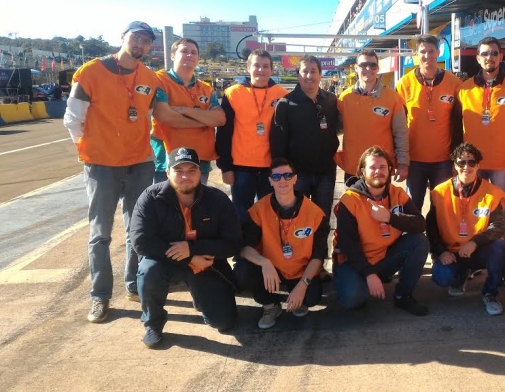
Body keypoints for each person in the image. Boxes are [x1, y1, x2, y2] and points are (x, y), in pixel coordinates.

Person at [63, 21, 161, 322]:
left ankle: (134, 285)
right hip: (102, 164)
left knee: (137, 229)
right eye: (136, 37)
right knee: (100, 233)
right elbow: (72, 118)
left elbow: (146, 116)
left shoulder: (149, 78)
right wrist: (91, 150)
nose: (140, 44)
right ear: (123, 37)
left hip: (139, 163)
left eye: (146, 40)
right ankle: (100, 295)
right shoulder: (92, 71)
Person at [131, 147, 242, 348]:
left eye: (192, 170)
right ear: (167, 173)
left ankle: (201, 297)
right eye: (179, 171)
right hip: (166, 262)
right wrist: (189, 257)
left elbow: (233, 243)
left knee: (224, 323)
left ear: (201, 172)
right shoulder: (150, 197)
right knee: (148, 270)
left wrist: (192, 248)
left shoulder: (217, 200)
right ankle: (153, 324)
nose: (185, 176)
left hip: (204, 264)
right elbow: (140, 241)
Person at [333, 146, 430, 316]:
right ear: (362, 171)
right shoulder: (349, 200)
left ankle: (403, 295)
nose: (378, 171)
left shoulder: (397, 193)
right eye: (373, 167)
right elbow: (348, 246)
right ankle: (361, 282)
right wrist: (369, 274)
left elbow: (420, 224)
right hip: (352, 263)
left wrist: (391, 218)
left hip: (384, 258)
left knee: (419, 241)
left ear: (390, 170)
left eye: (382, 167)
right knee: (354, 299)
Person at [234, 158, 327, 329]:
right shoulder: (258, 210)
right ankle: (270, 306)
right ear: (270, 181)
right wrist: (264, 262)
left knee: (312, 297)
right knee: (242, 271)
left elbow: (318, 255)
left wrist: (303, 285)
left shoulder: (314, 213)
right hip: (271, 270)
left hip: (299, 270)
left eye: (287, 175)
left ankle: (297, 298)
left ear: (295, 179)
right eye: (276, 177)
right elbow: (244, 248)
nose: (282, 180)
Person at [270, 55, 339, 278]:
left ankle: (318, 265)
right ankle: (296, 266)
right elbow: (278, 143)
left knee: (321, 220)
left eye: (313, 71)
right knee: (295, 220)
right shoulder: (285, 104)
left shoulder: (331, 101)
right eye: (304, 71)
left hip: (325, 172)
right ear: (298, 75)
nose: (309, 76)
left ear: (320, 74)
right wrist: (283, 176)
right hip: (297, 175)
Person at [427, 143, 505, 316]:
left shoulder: (492, 193)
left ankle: (490, 293)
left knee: (500, 247)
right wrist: (441, 251)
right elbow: (431, 227)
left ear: (478, 165)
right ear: (455, 165)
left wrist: (474, 242)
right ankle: (461, 276)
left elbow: (499, 226)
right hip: (452, 252)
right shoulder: (439, 192)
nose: (467, 167)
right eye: (461, 162)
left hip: (479, 249)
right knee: (441, 277)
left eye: (471, 162)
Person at [457, 37, 505, 220]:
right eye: (484, 53)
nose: (489, 57)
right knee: (473, 207)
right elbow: (455, 128)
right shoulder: (463, 89)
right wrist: (457, 160)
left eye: (494, 53)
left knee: (503, 208)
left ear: (501, 56)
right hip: (472, 163)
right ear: (478, 58)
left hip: (503, 163)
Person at [216, 49, 289, 220]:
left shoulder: (282, 95)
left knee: (268, 216)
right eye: (256, 65)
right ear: (248, 67)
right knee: (241, 216)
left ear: (272, 70)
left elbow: (288, 133)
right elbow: (224, 133)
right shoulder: (233, 93)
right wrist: (225, 167)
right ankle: (242, 239)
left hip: (271, 167)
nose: (261, 70)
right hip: (241, 167)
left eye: (265, 66)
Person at [396, 34, 463, 211]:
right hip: (414, 160)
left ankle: (437, 231)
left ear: (438, 53)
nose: (427, 56)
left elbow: (459, 125)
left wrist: (457, 159)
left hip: (444, 160)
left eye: (431, 51)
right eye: (423, 52)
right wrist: (400, 160)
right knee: (413, 207)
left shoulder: (454, 83)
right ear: (416, 54)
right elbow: (397, 126)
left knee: (441, 208)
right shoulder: (404, 84)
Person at [151, 38, 224, 184]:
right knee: (164, 199)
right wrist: (205, 120)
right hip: (168, 160)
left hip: (200, 160)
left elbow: (220, 119)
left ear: (198, 59)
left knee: (198, 199)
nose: (189, 55)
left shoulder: (206, 88)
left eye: (193, 52)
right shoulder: (159, 80)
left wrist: (184, 110)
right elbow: (165, 116)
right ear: (173, 56)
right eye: (184, 51)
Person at [336, 49, 409, 182]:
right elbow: (335, 129)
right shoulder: (344, 98)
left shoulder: (393, 98)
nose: (368, 69)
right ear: (356, 68)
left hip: (380, 169)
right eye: (363, 65)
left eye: (372, 65)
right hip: (353, 167)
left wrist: (403, 163)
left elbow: (401, 133)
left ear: (378, 68)